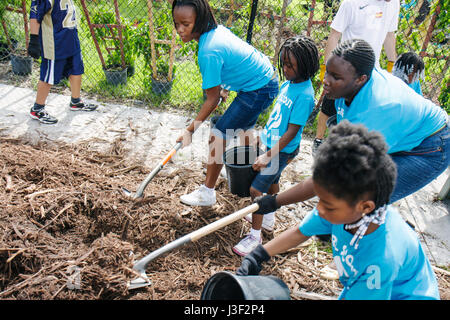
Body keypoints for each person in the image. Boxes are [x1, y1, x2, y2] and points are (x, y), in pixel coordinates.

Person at [247, 39, 448, 228]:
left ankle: (391, 242)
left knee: (359, 202)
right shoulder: (350, 84)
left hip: (430, 146)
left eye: (335, 77)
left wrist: (274, 202)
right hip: (400, 131)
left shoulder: (376, 111)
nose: (325, 81)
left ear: (361, 79)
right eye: (328, 71)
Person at [237, 120, 440, 300]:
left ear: (365, 207)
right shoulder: (343, 209)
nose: (320, 210)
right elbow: (300, 232)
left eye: (328, 205)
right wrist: (258, 255)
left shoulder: (381, 259)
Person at [172, 0, 279, 206]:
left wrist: (189, 131)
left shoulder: (208, 51)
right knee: (241, 131)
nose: (180, 30)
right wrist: (225, 87)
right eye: (177, 23)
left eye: (186, 24)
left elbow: (211, 101)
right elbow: (234, 61)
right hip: (263, 80)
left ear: (200, 20)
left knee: (218, 136)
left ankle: (207, 192)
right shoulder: (215, 33)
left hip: (258, 88)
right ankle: (259, 179)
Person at [232, 36, 319, 256]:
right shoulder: (289, 84)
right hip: (272, 145)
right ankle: (268, 218)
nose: (286, 69)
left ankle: (255, 236)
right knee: (273, 182)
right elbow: (277, 116)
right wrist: (263, 135)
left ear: (305, 65)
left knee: (256, 189)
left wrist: (267, 156)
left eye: (291, 66)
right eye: (284, 64)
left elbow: (291, 132)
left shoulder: (306, 95)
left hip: (281, 151)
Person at [312, 0, 400, 155]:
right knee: (329, 103)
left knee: (360, 109)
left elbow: (389, 35)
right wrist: (327, 68)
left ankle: (347, 147)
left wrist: (393, 65)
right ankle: (319, 140)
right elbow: (335, 35)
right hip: (345, 66)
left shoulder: (393, 3)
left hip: (371, 70)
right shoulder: (351, 3)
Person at [28, 0, 97, 124]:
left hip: (70, 38)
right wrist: (34, 39)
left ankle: (76, 101)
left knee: (76, 69)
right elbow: (35, 15)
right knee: (48, 77)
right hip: (55, 43)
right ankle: (37, 109)